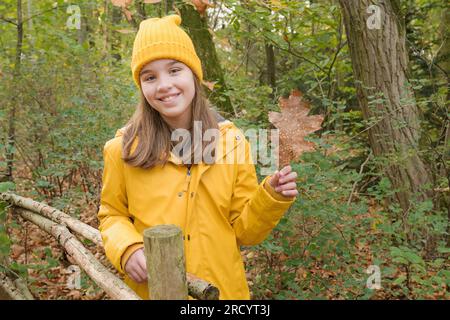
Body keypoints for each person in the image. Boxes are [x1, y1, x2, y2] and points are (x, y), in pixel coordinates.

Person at [97, 14, 298, 300]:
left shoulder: (232, 142)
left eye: (174, 70)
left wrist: (270, 198)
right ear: (141, 86)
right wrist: (127, 248)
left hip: (221, 292)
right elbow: (112, 215)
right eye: (150, 77)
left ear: (194, 73)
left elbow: (245, 231)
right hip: (152, 291)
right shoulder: (123, 149)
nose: (164, 84)